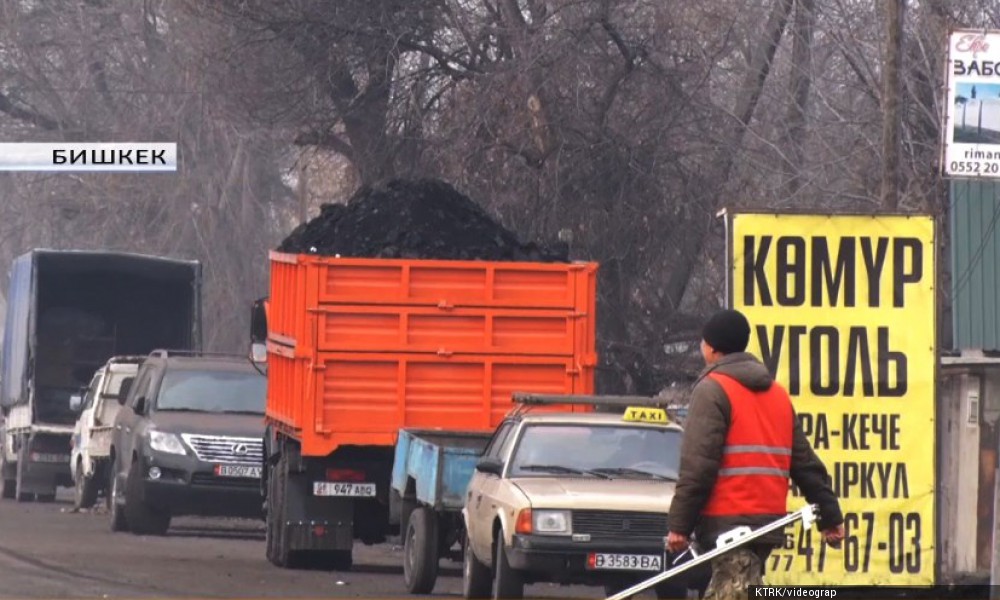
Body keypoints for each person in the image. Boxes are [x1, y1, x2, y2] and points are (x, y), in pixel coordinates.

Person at [666, 309, 845, 599]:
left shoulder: (712, 390)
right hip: (767, 523)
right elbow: (805, 463)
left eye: (703, 343)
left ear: (712, 348)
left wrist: (680, 525)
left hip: (728, 522)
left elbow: (698, 465)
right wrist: (830, 515)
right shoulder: (777, 395)